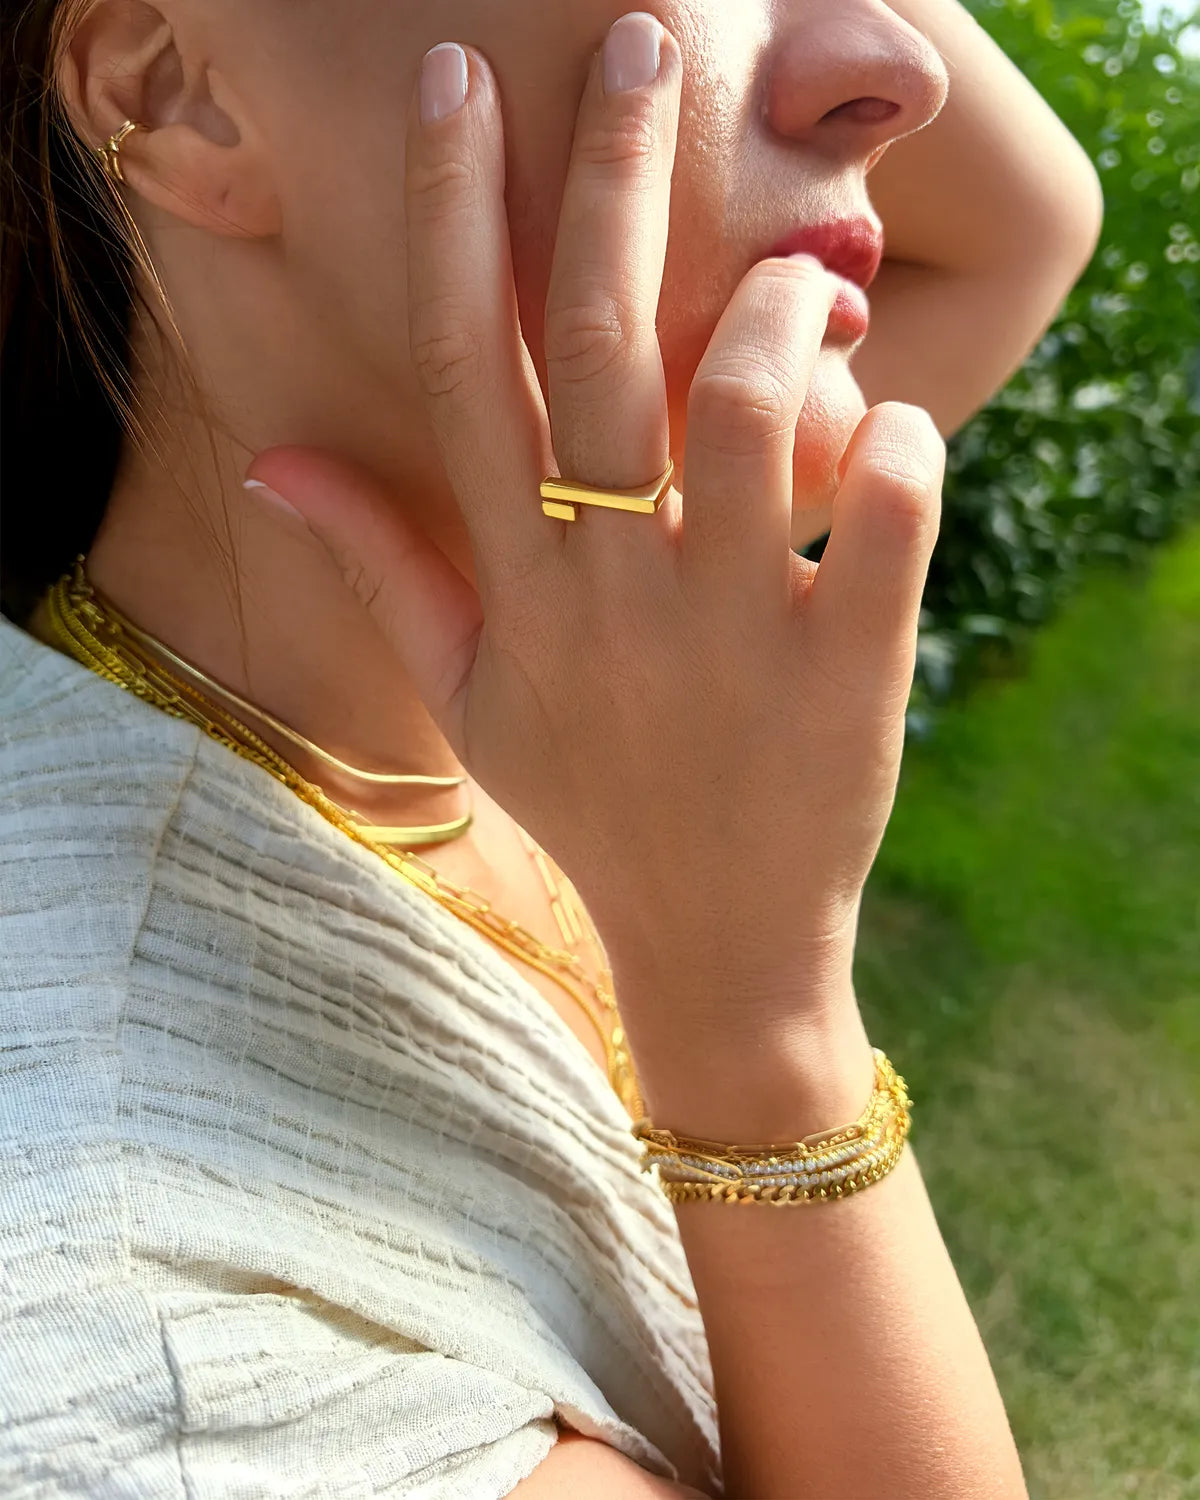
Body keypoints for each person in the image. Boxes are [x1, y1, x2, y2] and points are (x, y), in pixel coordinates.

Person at [0, 1, 1103, 1495]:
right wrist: (760, 1035)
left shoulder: (610, 628)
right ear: (172, 84)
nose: (900, 71)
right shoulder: (177, 1352)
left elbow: (1033, 220)